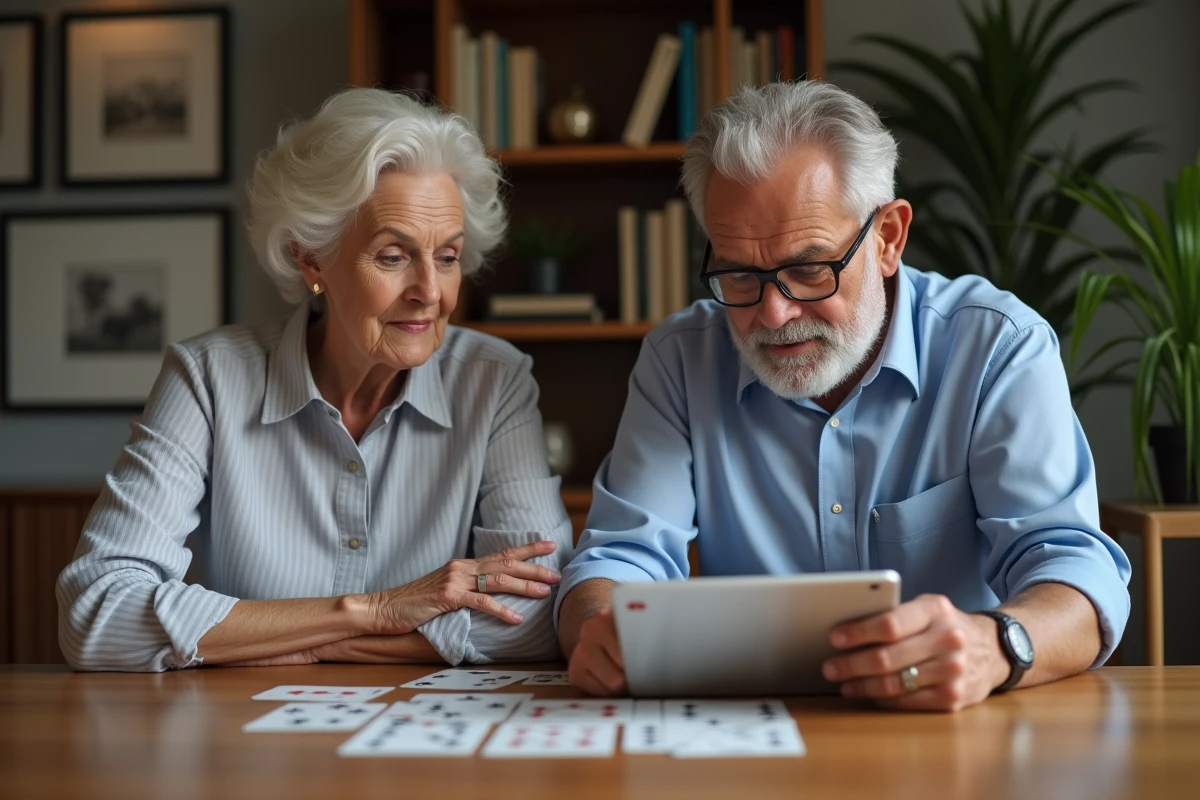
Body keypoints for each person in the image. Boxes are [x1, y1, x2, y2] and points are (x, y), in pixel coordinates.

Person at [556, 81, 1131, 711]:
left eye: (809, 268)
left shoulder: (996, 347)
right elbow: (618, 558)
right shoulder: (681, 359)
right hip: (748, 733)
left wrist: (994, 646)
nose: (773, 315)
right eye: (739, 275)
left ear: (887, 237)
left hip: (957, 726)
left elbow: (1076, 573)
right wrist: (599, 628)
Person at [57, 89, 572, 672]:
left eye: (448, 257)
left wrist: (286, 638)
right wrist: (374, 611)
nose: (431, 291)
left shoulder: (495, 382)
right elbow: (96, 611)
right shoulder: (206, 379)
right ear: (311, 260)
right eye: (393, 256)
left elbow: (538, 614)